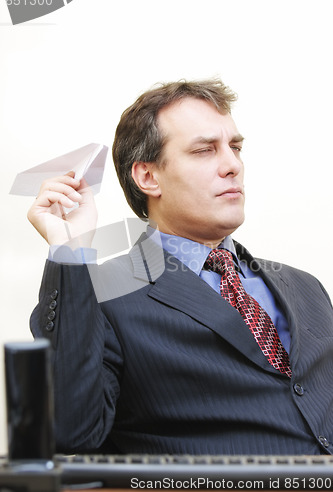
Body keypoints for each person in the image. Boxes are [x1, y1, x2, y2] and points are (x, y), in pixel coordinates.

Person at [28, 79, 333, 456]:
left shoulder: (306, 288)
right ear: (148, 177)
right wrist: (70, 251)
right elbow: (71, 432)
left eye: (235, 147)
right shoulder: (102, 293)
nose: (232, 165)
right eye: (205, 150)